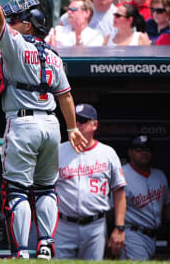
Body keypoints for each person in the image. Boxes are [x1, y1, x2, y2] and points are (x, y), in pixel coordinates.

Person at [0, 0, 87, 258]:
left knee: (17, 190)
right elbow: (66, 96)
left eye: (16, 21)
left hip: (22, 124)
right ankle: (46, 243)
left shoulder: (17, 44)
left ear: (28, 24)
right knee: (46, 188)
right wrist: (71, 128)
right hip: (51, 126)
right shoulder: (54, 57)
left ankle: (22, 250)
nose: (10, 24)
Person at [55, 103, 126, 259]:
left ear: (95, 124)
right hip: (63, 225)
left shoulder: (107, 153)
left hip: (95, 225)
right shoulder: (58, 151)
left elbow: (119, 192)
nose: (78, 124)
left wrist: (119, 228)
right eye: (75, 120)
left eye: (83, 120)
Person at [121, 135, 170, 260]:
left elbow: (167, 204)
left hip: (152, 237)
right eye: (139, 149)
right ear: (130, 152)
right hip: (132, 234)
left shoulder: (159, 176)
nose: (144, 153)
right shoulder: (121, 175)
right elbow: (109, 209)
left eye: (147, 149)